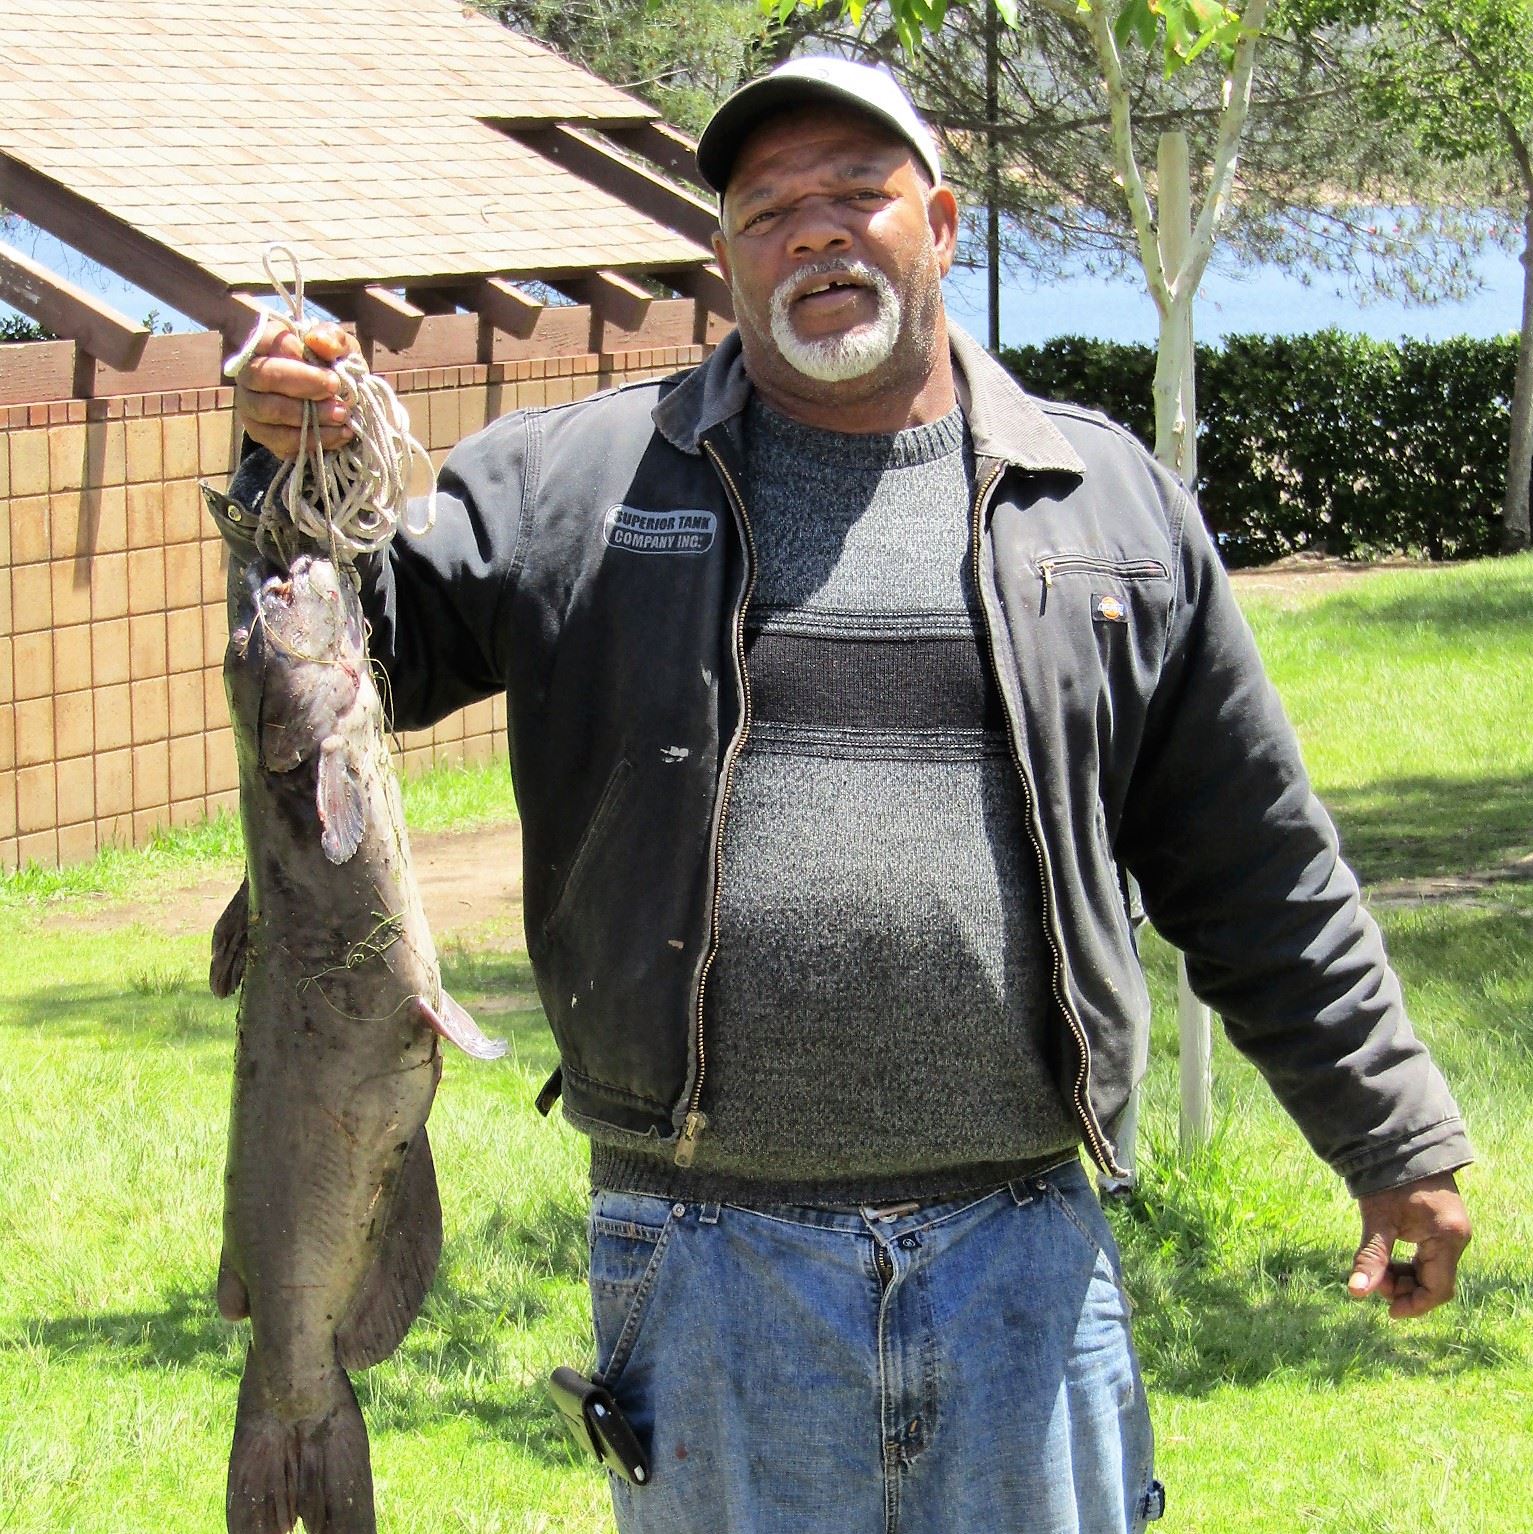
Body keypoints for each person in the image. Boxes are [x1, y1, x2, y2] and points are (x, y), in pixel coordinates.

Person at [219, 56, 1472, 1534]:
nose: (814, 234)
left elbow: (1255, 866)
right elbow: (339, 642)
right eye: (767, 211)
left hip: (1023, 1260)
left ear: (939, 222)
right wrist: (286, 456)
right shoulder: (577, 486)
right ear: (725, 260)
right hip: (701, 1263)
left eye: (854, 195)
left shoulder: (1104, 507)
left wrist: (1390, 1138)